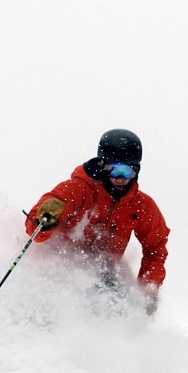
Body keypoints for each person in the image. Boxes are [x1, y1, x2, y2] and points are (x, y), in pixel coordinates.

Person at [25, 129, 170, 315]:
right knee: (58, 292)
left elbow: (155, 248)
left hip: (103, 274)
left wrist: (149, 290)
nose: (120, 178)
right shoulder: (79, 189)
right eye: (114, 169)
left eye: (127, 171)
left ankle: (113, 339)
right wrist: (44, 221)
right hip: (62, 262)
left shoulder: (141, 206)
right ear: (102, 166)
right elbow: (35, 226)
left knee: (116, 305)